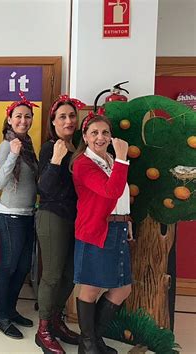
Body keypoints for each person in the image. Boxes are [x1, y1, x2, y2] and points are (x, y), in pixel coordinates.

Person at [70, 111, 132, 354]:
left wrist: (127, 219)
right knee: (91, 288)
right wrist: (123, 158)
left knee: (122, 287)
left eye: (105, 132)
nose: (100, 137)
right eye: (94, 132)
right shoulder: (83, 164)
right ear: (85, 137)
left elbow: (121, 195)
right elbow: (110, 191)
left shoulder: (110, 159)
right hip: (95, 229)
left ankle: (94, 340)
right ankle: (88, 344)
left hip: (117, 227)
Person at [34, 95, 85, 353]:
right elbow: (43, 188)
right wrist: (55, 160)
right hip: (52, 216)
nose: (68, 120)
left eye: (72, 116)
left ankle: (55, 319)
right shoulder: (49, 147)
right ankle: (43, 330)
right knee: (52, 275)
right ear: (53, 122)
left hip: (74, 218)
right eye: (62, 116)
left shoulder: (79, 148)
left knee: (69, 274)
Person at [0, 92, 39, 339]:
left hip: (27, 214)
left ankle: (10, 311)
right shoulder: (6, 145)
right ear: (10, 119)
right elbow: (0, 181)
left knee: (22, 267)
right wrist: (12, 153)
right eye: (18, 116)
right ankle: (1, 317)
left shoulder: (29, 145)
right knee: (9, 265)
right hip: (9, 215)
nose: (23, 120)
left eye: (27, 116)